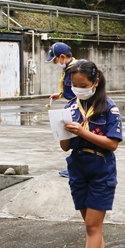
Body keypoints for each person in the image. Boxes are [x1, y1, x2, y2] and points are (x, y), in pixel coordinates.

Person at [58, 60, 123, 248]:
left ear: (95, 82)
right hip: (77, 168)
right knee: (90, 225)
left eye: (82, 84)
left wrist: (83, 132)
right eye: (73, 84)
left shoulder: (108, 108)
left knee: (92, 226)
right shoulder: (71, 107)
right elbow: (65, 146)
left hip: (100, 169)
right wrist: (61, 130)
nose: (77, 88)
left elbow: (112, 144)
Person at [46, 42, 78, 177]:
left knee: (74, 137)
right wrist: (59, 95)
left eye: (55, 60)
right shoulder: (69, 68)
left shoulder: (77, 69)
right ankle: (74, 169)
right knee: (71, 136)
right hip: (73, 104)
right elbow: (69, 88)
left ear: (62, 56)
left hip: (78, 106)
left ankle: (75, 170)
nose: (55, 63)